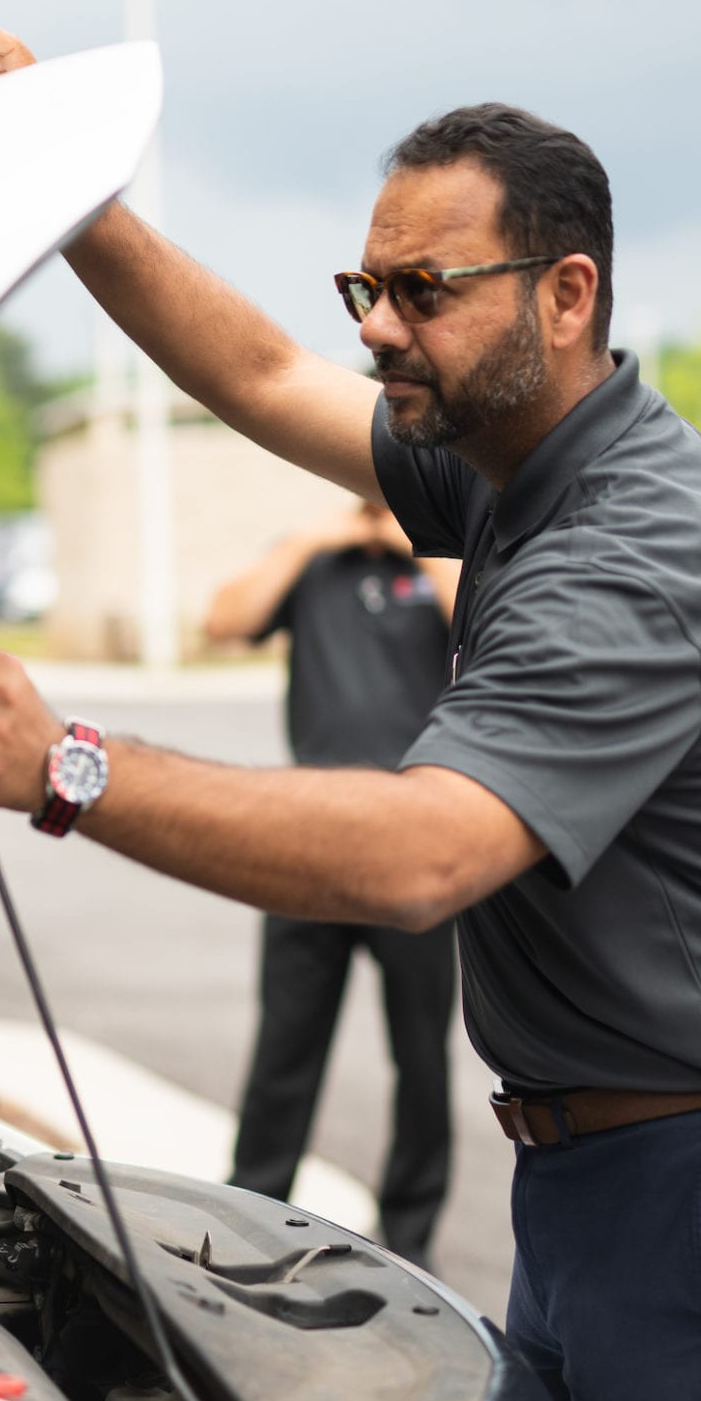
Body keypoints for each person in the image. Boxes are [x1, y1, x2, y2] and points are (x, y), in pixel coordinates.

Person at [0, 16, 701, 1401]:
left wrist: (69, 762)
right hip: (603, 1175)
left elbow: (422, 854)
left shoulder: (630, 548)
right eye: (372, 285)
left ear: (568, 293)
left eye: (425, 290)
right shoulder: (511, 453)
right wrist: (79, 204)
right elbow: (267, 370)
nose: (379, 326)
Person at [204, 501, 459, 1266]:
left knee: (421, 1053)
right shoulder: (312, 555)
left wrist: (419, 539)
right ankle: (252, 1211)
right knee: (285, 1044)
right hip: (309, 837)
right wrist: (315, 535)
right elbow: (224, 620)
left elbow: (478, 612)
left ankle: (410, 1234)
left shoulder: (443, 553)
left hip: (413, 837)